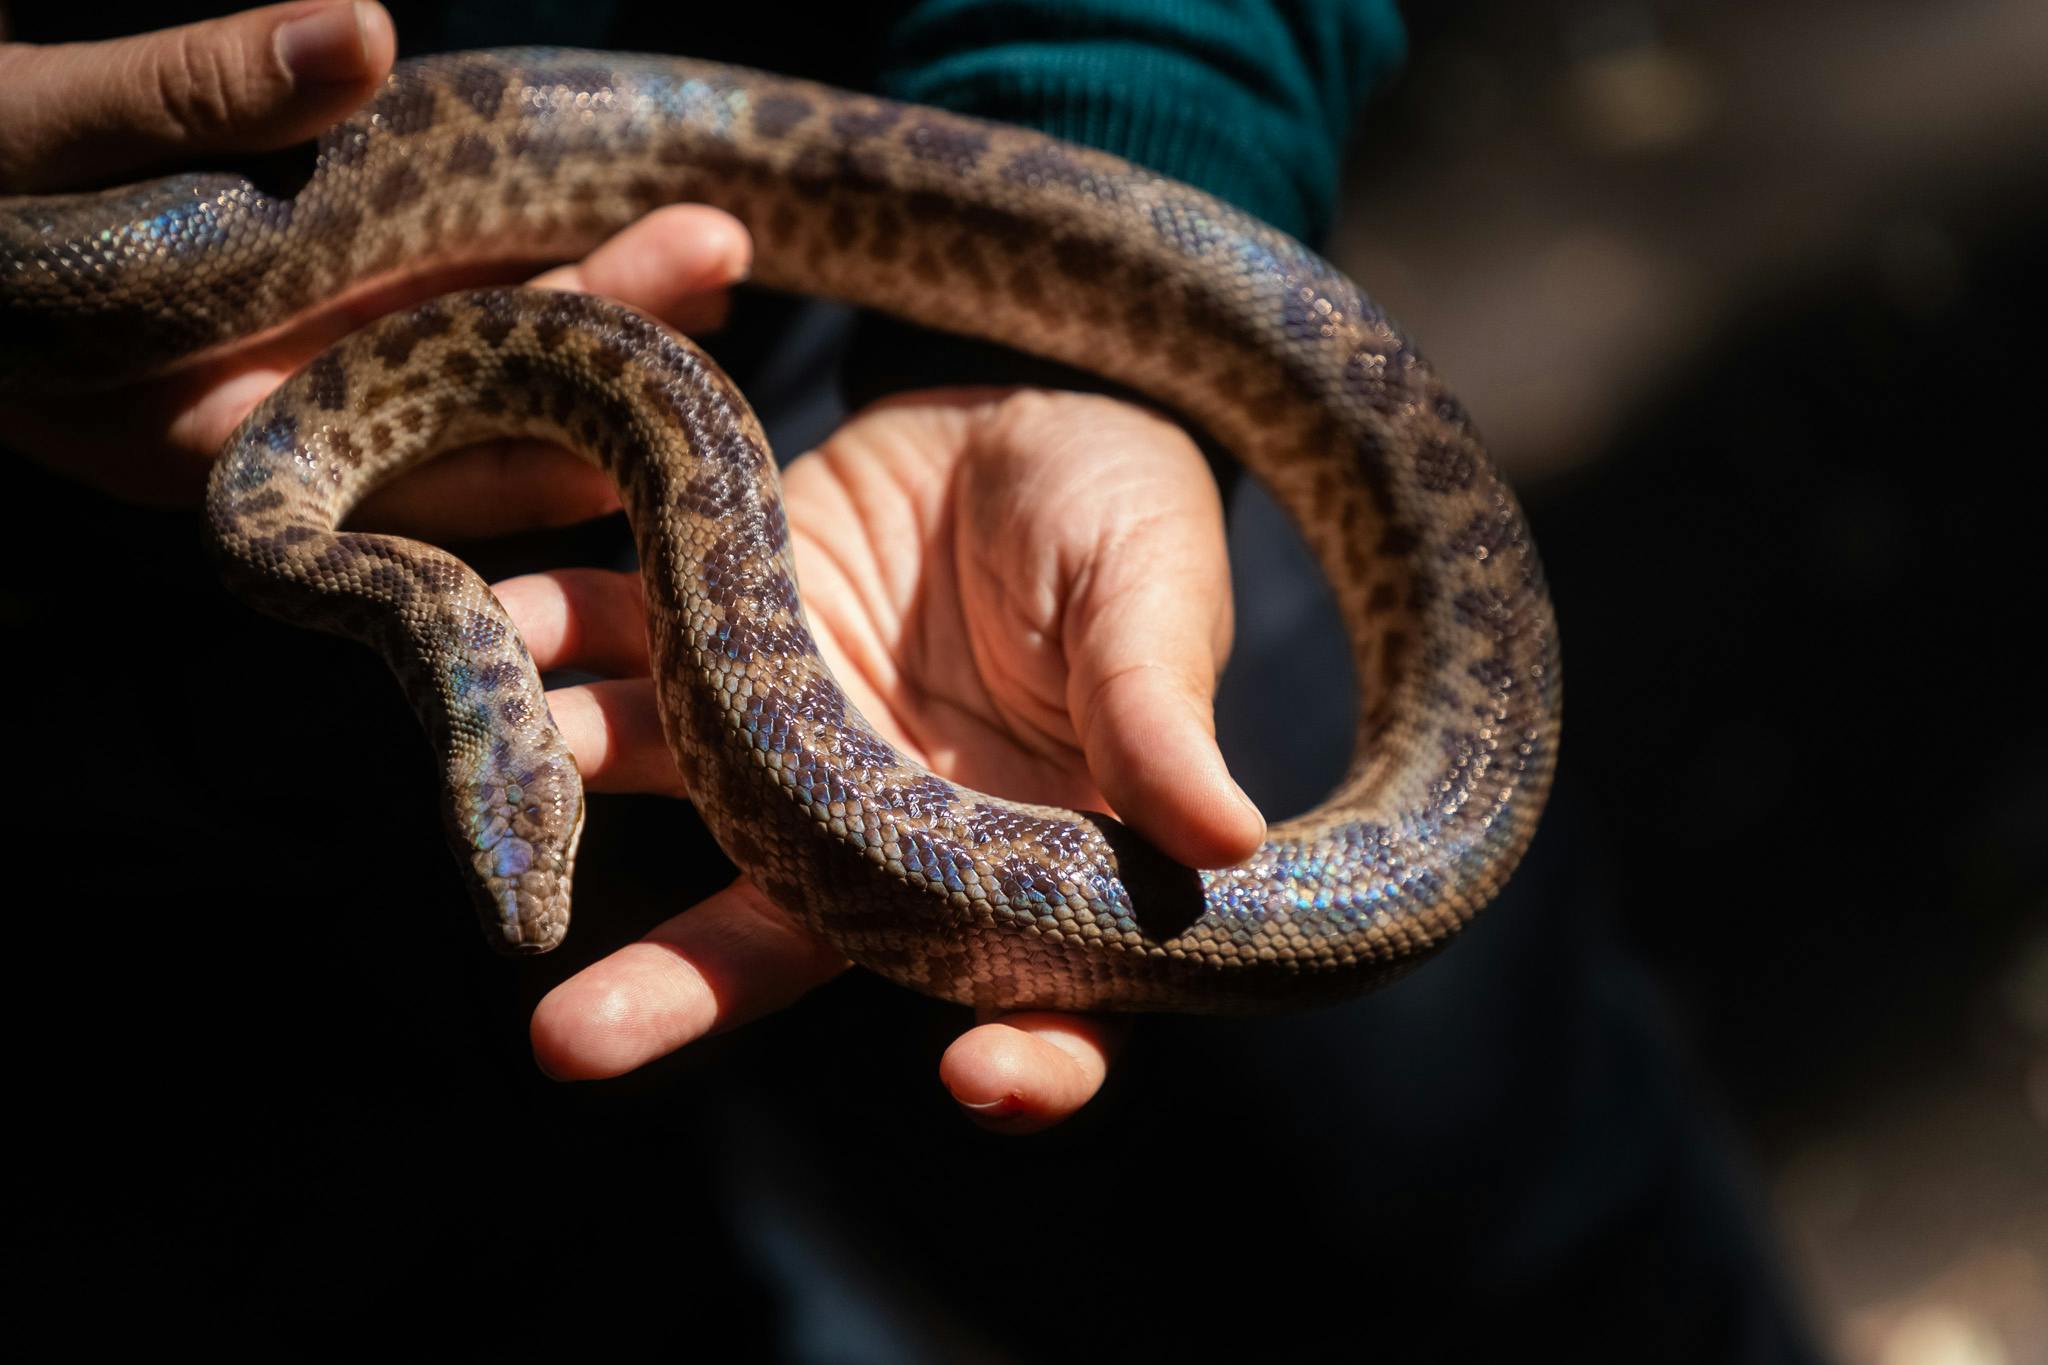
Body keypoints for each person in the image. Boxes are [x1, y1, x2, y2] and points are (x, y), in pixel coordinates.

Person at [0, 4, 1824, 1357]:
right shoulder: (314, 537)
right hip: (96, 768)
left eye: (528, 845)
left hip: (905, 358)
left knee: (1465, 1214)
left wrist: (1154, 110)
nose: (534, 896)